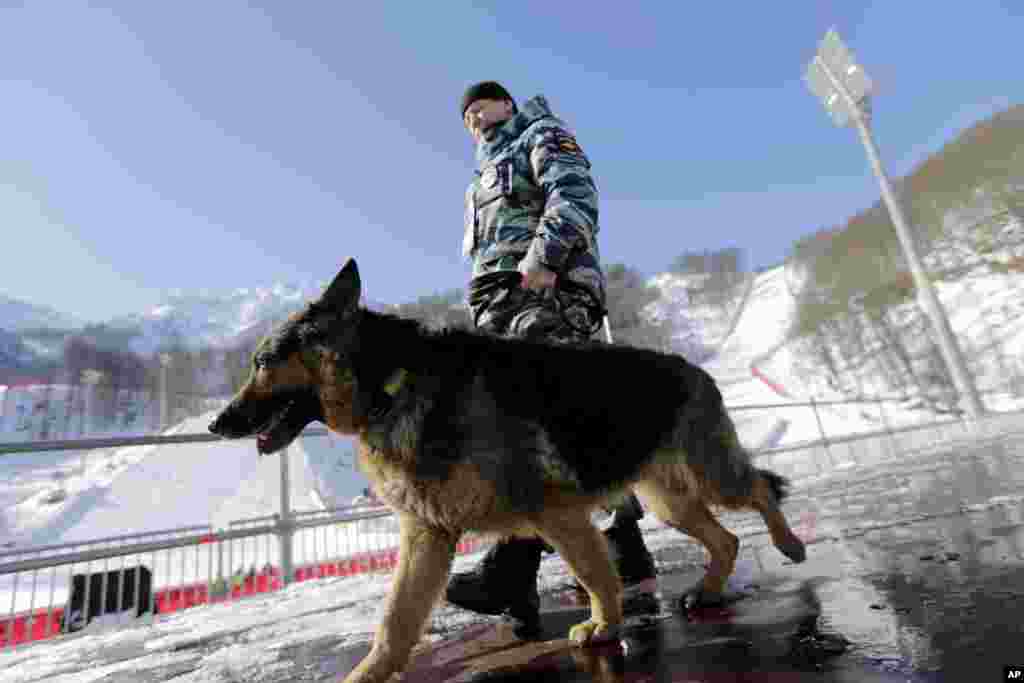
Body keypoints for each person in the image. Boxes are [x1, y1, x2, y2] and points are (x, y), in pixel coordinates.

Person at [448, 81, 656, 636]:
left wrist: (544, 259)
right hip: (507, 309)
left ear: (507, 105)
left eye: (481, 107)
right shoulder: (482, 177)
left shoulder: (539, 136)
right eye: (465, 115)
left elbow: (574, 194)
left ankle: (511, 570)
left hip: (545, 295)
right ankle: (625, 550)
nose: (473, 119)